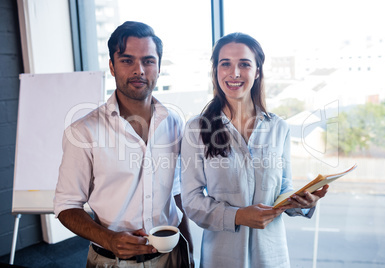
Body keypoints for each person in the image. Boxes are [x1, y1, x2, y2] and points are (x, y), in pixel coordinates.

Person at [180, 32, 329, 268]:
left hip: (271, 257)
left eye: (244, 64)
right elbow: (191, 200)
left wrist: (303, 202)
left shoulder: (278, 127)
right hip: (221, 258)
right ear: (215, 70)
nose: (234, 73)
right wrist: (238, 216)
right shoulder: (196, 128)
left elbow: (283, 187)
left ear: (257, 71)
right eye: (225, 63)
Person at [54, 21, 192, 268]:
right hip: (112, 261)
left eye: (148, 61)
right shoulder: (84, 131)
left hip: (173, 257)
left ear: (159, 67)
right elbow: (66, 206)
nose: (139, 70)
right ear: (112, 66)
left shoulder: (174, 123)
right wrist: (108, 238)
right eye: (127, 60)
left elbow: (176, 192)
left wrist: (189, 251)